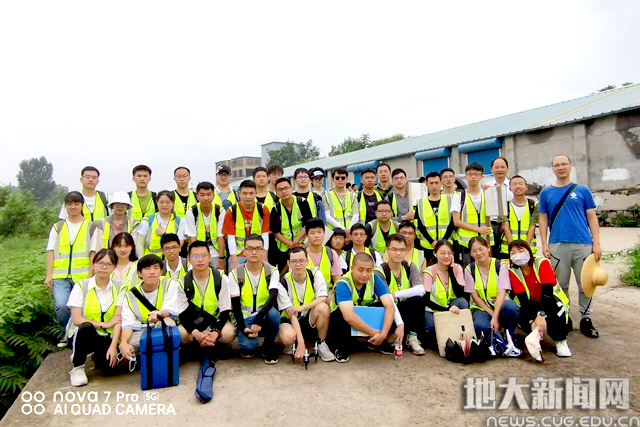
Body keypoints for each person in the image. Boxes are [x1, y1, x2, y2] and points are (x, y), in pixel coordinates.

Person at [539, 154, 601, 338]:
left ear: (571, 166)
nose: (561, 167)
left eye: (564, 164)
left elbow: (592, 217)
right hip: (557, 244)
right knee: (561, 284)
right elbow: (543, 218)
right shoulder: (546, 193)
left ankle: (586, 318)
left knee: (586, 284)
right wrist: (544, 243)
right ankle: (564, 316)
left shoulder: (582, 191)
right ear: (552, 169)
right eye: (556, 165)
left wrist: (596, 243)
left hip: (583, 243)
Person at [176, 241, 236, 402]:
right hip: (194, 323)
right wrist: (196, 333)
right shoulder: (182, 282)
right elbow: (183, 314)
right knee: (180, 333)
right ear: (189, 259)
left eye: (204, 255)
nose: (200, 260)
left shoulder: (221, 278)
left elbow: (225, 310)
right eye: (195, 256)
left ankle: (212, 343)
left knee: (229, 333)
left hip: (215, 321)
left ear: (210, 257)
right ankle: (200, 344)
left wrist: (215, 333)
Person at [327, 253, 403, 362]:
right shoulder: (343, 284)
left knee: (387, 308)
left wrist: (383, 335)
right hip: (341, 322)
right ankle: (340, 347)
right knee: (342, 314)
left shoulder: (375, 279)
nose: (364, 274)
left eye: (368, 270)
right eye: (360, 270)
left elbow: (390, 306)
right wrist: (373, 332)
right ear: (352, 269)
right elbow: (348, 316)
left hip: (362, 314)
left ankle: (376, 342)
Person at [45, 192, 99, 345]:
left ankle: (81, 336)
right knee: (62, 306)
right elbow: (51, 252)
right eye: (69, 204)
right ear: (65, 206)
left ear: (82, 205)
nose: (72, 207)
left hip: (83, 276)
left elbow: (93, 252)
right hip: (60, 275)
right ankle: (67, 333)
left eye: (76, 203)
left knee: (82, 308)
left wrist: (91, 273)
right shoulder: (58, 227)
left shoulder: (91, 227)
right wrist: (49, 275)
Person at [67, 249, 122, 386]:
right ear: (93, 265)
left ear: (114, 267)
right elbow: (77, 319)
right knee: (86, 327)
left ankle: (97, 356)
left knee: (110, 370)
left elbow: (118, 320)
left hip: (105, 336)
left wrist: (114, 346)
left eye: (109, 264)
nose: (104, 267)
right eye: (100, 263)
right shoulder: (81, 286)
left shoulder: (119, 288)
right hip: (83, 334)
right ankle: (78, 367)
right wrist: (104, 324)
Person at [508, 240, 572, 357]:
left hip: (551, 300)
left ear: (529, 251)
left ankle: (560, 340)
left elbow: (547, 292)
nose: (517, 255)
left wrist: (541, 315)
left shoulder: (541, 263)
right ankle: (535, 334)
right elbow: (523, 299)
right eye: (513, 253)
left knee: (555, 312)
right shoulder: (513, 271)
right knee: (522, 318)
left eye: (521, 250)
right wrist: (532, 320)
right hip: (531, 303)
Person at [228, 234, 281, 363]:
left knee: (274, 315)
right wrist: (242, 327)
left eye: (258, 248)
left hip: (264, 314)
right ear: (244, 251)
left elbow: (273, 296)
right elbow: (235, 304)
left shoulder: (272, 271)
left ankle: (268, 343)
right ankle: (249, 338)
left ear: (263, 251)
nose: (254, 252)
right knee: (248, 348)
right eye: (250, 248)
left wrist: (258, 319)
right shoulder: (235, 273)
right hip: (245, 316)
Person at [119, 255, 182, 360]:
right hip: (143, 329)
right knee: (129, 342)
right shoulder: (130, 295)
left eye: (156, 268)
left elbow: (170, 309)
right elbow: (128, 323)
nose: (152, 272)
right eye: (147, 268)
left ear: (161, 271)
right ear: (139, 273)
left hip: (163, 324)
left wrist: (158, 315)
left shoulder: (169, 284)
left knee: (167, 322)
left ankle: (167, 357)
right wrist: (124, 342)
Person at [277, 247, 335, 361]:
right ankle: (294, 342)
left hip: (308, 317)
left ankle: (321, 342)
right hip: (290, 319)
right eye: (294, 261)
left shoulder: (315, 274)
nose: (298, 264)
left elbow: (323, 297)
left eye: (301, 260)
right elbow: (291, 314)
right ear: (288, 263)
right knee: (287, 337)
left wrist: (301, 308)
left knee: (323, 308)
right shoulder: (283, 282)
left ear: (307, 261)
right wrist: (301, 343)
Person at [464, 237, 520, 351]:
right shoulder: (469, 269)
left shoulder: (500, 265)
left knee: (512, 307)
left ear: (488, 248)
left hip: (501, 305)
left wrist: (495, 316)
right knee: (481, 326)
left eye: (481, 249)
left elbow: (501, 293)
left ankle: (509, 336)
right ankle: (493, 338)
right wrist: (493, 315)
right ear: (470, 253)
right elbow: (475, 297)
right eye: (474, 251)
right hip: (482, 308)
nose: (478, 253)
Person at [376, 235, 426, 355]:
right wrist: (400, 324)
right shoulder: (379, 271)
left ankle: (411, 338)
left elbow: (421, 289)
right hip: (387, 311)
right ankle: (388, 336)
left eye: (402, 250)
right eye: (394, 249)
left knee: (418, 300)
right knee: (382, 305)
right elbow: (388, 300)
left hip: (402, 307)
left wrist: (396, 294)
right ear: (387, 250)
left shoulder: (409, 266)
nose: (398, 253)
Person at [422, 240, 469, 344]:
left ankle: (455, 331)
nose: (446, 256)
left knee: (462, 302)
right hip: (433, 308)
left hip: (450, 304)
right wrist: (446, 310)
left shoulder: (457, 268)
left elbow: (459, 294)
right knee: (431, 329)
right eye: (442, 253)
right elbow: (426, 300)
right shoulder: (429, 272)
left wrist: (451, 272)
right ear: (435, 253)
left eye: (449, 253)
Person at [222, 180, 271, 271]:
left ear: (256, 193)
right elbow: (231, 238)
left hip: (257, 252)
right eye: (245, 193)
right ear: (239, 194)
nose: (248, 197)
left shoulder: (263, 209)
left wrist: (264, 256)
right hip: (239, 253)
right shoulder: (232, 211)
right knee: (236, 276)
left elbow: (265, 235)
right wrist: (234, 260)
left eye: (251, 193)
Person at [452, 162, 493, 266]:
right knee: (469, 271)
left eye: (476, 174)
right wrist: (478, 229)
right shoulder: (459, 197)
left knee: (487, 269)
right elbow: (456, 221)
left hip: (485, 242)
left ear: (482, 177)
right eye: (470, 174)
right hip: (467, 244)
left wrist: (491, 191)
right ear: (466, 176)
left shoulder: (487, 195)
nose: (473, 177)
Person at [271, 177, 312, 272]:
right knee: (284, 273)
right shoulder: (275, 208)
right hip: (284, 248)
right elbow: (275, 231)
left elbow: (307, 225)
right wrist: (289, 243)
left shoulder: (302, 203)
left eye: (286, 188)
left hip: (302, 244)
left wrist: (296, 242)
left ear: (292, 189)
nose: (284, 192)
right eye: (280, 190)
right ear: (276, 193)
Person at [183, 181, 225, 269]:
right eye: (202, 195)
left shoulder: (220, 211)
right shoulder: (192, 212)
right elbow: (192, 237)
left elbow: (221, 237)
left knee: (218, 274)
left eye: (209, 194)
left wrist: (221, 259)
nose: (206, 198)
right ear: (197, 196)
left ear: (213, 196)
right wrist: (195, 256)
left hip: (215, 251)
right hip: (197, 250)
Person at [416, 172, 455, 262]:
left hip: (447, 244)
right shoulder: (420, 203)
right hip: (427, 245)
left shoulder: (450, 200)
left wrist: (443, 241)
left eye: (436, 183)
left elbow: (453, 223)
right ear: (426, 184)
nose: (434, 186)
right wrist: (432, 242)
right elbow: (419, 225)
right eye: (431, 183)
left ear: (441, 183)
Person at [135, 190, 184, 257]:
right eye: (161, 202)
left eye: (168, 202)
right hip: (151, 260)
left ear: (173, 203)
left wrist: (164, 234)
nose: (164, 205)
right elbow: (139, 244)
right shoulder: (147, 220)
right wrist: (141, 261)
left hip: (170, 260)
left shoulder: (180, 221)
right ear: (157, 202)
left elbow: (179, 244)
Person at [482, 157, 513, 258]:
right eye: (497, 167)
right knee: (493, 253)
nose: (500, 170)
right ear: (491, 169)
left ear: (507, 168)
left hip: (510, 224)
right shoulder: (486, 187)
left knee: (509, 251)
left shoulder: (513, 186)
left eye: (502, 167)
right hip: (493, 224)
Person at [501, 175, 538, 257]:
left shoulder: (533, 205)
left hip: (529, 249)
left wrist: (525, 248)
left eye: (520, 184)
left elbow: (532, 226)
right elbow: (506, 227)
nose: (518, 186)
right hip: (508, 250)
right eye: (514, 184)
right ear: (510, 188)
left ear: (526, 187)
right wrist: (513, 248)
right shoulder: (505, 206)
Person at [305, 218, 342, 289]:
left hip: (328, 293)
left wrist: (333, 292)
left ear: (324, 233)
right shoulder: (300, 255)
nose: (316, 236)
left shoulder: (331, 253)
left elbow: (337, 279)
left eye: (319, 232)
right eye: (312, 233)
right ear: (307, 235)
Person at [324, 168, 359, 236]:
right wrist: (343, 229)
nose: (340, 180)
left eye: (343, 178)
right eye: (337, 178)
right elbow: (327, 217)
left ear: (346, 179)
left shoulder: (353, 196)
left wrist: (349, 229)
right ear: (333, 179)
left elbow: (356, 215)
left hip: (350, 233)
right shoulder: (326, 196)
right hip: (334, 233)